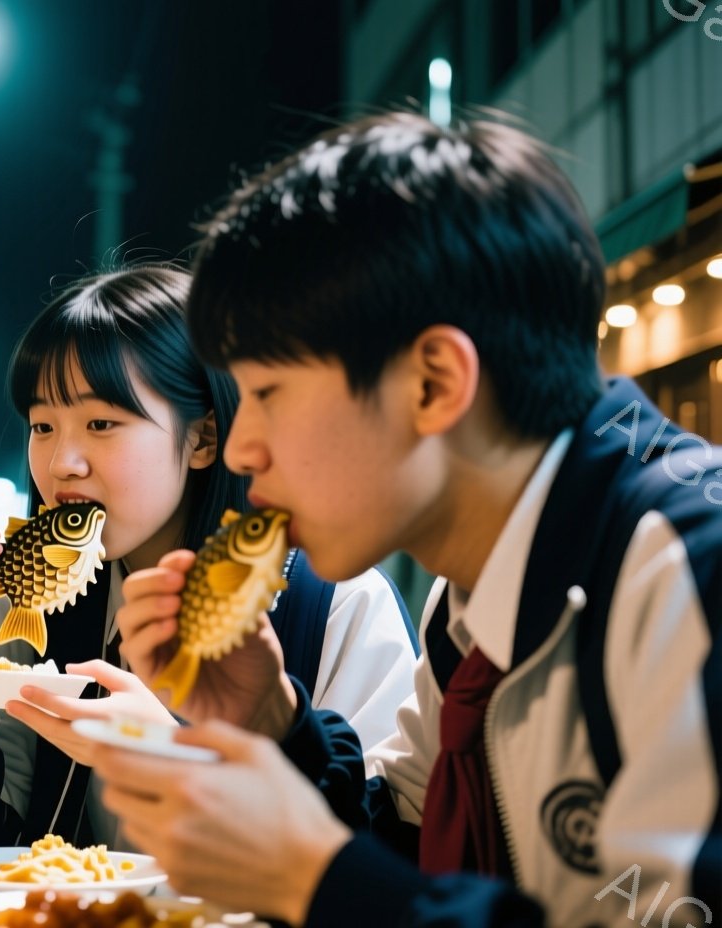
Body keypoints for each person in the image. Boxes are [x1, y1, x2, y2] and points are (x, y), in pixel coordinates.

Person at [94, 112, 722, 928]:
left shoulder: (686, 570)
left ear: (432, 384)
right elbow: (407, 849)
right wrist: (271, 722)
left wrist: (315, 881)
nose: (242, 449)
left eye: (269, 394)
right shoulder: (466, 599)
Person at [0, 264, 418, 850]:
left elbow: (375, 857)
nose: (63, 462)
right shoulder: (34, 605)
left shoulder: (336, 603)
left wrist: (175, 752)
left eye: (101, 422)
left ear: (204, 439)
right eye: (42, 425)